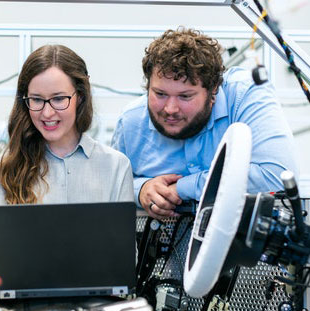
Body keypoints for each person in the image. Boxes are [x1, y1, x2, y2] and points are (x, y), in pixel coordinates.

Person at [112, 27, 298, 220]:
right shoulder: (130, 122)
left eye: (185, 96)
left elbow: (277, 175)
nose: (170, 109)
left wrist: (181, 188)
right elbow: (113, 185)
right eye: (160, 94)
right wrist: (141, 189)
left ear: (213, 89)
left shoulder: (245, 96)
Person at [0, 44, 133, 205]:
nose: (47, 113)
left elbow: (120, 231)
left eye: (58, 99)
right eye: (36, 99)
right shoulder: (5, 168)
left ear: (80, 97)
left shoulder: (116, 166)